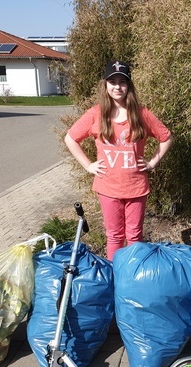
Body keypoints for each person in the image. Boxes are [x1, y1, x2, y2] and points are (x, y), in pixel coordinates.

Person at [65, 60, 173, 261]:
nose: (117, 87)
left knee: (135, 235)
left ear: (129, 85)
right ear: (105, 85)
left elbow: (166, 137)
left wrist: (152, 163)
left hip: (136, 187)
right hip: (108, 187)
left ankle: (131, 274)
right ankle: (114, 274)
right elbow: (70, 138)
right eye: (112, 82)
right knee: (114, 235)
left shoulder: (141, 114)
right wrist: (88, 165)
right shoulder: (96, 114)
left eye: (122, 82)